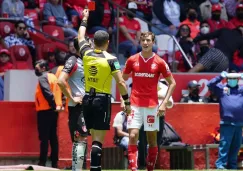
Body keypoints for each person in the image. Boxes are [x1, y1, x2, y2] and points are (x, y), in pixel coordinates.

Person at [77, 9, 131, 171]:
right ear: (107, 42)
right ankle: (95, 169)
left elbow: (80, 35)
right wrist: (126, 102)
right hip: (102, 100)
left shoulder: (86, 53)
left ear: (93, 41)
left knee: (91, 137)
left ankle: (81, 167)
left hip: (87, 99)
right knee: (98, 140)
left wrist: (85, 18)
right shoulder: (112, 60)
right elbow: (121, 82)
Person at [122, 31, 176, 171]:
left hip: (152, 106)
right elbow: (122, 80)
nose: (145, 43)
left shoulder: (160, 62)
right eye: (143, 40)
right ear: (140, 42)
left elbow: (172, 83)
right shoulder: (132, 60)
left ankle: (149, 168)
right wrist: (124, 100)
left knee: (152, 140)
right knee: (133, 135)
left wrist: (163, 103)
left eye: (148, 40)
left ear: (153, 43)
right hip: (134, 104)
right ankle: (133, 168)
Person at [57, 37, 88, 171]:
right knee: (80, 139)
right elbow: (60, 81)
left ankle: (80, 168)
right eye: (87, 45)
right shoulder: (73, 60)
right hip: (77, 106)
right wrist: (72, 97)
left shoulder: (88, 61)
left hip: (88, 106)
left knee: (82, 139)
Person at [207, 71, 243, 169]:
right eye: (231, 78)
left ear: (238, 79)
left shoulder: (241, 89)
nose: (233, 80)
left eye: (235, 78)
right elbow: (209, 84)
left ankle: (232, 167)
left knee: (236, 147)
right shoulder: (222, 89)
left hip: (239, 124)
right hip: (227, 123)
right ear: (227, 79)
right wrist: (220, 77)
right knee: (224, 145)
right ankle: (221, 166)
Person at [34, 59, 62, 168]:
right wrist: (56, 106)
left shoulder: (42, 78)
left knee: (44, 138)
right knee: (53, 138)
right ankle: (54, 163)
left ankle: (42, 162)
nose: (36, 70)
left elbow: (48, 93)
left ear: (43, 68)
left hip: (45, 110)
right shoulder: (54, 77)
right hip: (53, 111)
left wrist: (52, 104)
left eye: (37, 68)